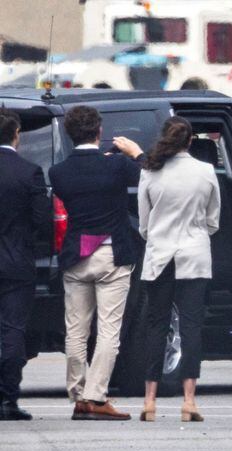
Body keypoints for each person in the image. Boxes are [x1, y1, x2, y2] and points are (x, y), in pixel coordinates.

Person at [49, 105, 144, 421]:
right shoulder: (116, 165)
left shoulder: (58, 172)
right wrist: (136, 152)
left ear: (69, 133)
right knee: (108, 330)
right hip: (111, 253)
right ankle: (96, 396)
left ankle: (77, 395)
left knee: (75, 330)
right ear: (99, 132)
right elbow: (149, 176)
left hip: (76, 253)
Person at [138, 117, 220, 422]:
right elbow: (213, 220)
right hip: (194, 256)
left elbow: (144, 224)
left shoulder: (150, 172)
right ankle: (189, 401)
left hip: (160, 256)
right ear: (190, 141)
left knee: (156, 327)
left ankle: (149, 401)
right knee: (191, 328)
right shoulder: (206, 171)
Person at [0, 109, 49, 421]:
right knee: (13, 330)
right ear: (16, 136)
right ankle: (7, 399)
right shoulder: (29, 171)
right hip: (16, 260)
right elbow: (43, 221)